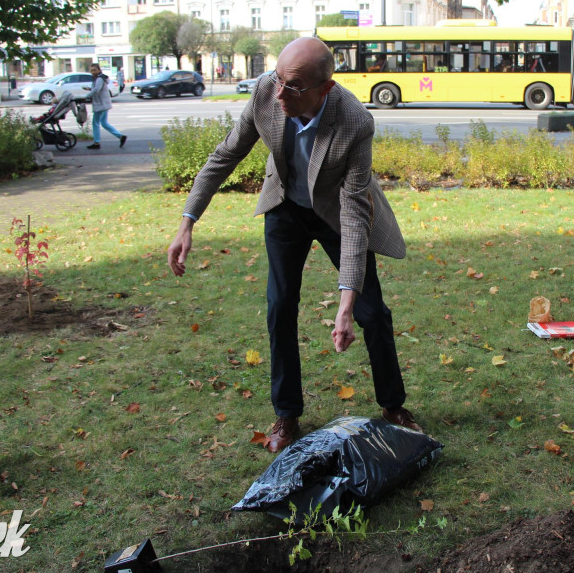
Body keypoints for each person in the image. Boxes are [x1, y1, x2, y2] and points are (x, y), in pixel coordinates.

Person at [166, 37, 420, 453]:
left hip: (338, 211)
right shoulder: (268, 92)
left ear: (326, 88)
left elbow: (356, 216)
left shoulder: (355, 122)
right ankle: (286, 414)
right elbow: (225, 156)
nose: (280, 92)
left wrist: (344, 305)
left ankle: (393, 406)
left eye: (295, 86)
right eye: (278, 79)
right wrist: (187, 222)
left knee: (371, 312)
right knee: (280, 305)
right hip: (285, 206)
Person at [83, 63, 126, 150]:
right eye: (91, 70)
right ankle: (120, 136)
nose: (93, 72)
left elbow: (96, 90)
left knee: (95, 123)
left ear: (99, 70)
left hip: (101, 104)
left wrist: (87, 96)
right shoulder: (100, 78)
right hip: (103, 104)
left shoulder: (99, 79)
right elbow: (97, 89)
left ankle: (97, 142)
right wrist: (89, 89)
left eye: (94, 70)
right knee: (104, 123)